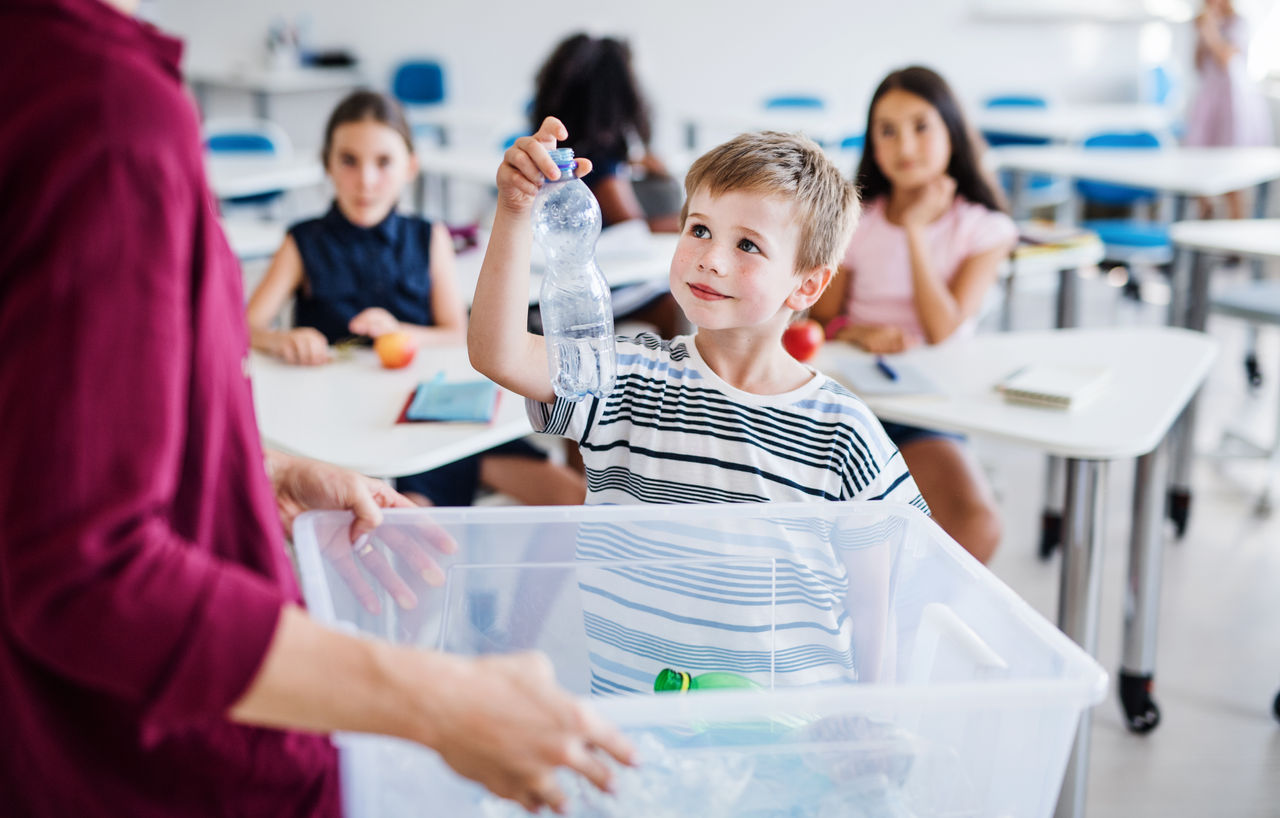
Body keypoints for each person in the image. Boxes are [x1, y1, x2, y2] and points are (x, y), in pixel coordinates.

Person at [0, 1, 631, 815]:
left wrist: (263, 469)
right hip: (147, 758)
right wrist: (438, 700)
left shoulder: (56, 78)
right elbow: (87, 566)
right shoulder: (105, 110)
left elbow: (44, 441)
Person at [470, 118, 925, 511]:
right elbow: (499, 353)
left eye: (747, 244)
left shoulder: (842, 432)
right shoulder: (624, 377)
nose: (710, 259)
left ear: (807, 285)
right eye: (700, 229)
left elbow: (887, 581)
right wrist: (515, 209)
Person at [247, 90, 586, 508]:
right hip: (353, 432)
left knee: (573, 497)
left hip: (436, 417)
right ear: (327, 165)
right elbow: (244, 327)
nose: (366, 180)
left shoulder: (429, 237)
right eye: (349, 161)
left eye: (383, 162)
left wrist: (402, 333)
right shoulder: (301, 242)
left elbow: (454, 332)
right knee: (409, 519)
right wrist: (281, 339)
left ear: (410, 167)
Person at [811, 66, 1016, 564]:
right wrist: (856, 332)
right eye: (888, 130)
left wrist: (918, 232)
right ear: (872, 143)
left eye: (922, 126)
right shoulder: (855, 219)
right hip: (848, 399)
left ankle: (897, 632)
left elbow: (943, 330)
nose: (905, 145)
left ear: (952, 132)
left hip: (927, 410)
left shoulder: (985, 229)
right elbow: (820, 317)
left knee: (977, 524)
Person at [530, 32, 684, 337]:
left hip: (549, 281)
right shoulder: (602, 159)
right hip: (581, 289)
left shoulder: (563, 143)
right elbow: (632, 223)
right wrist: (688, 224)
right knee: (675, 301)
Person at [1184, 0, 1274, 220]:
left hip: (1232, 104)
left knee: (1234, 175)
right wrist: (1203, 32)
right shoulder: (1204, 22)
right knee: (1199, 168)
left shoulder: (1239, 23)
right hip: (1209, 103)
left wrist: (1211, 30)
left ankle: (1236, 241)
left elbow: (1227, 59)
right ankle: (1205, 221)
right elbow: (1197, 64)